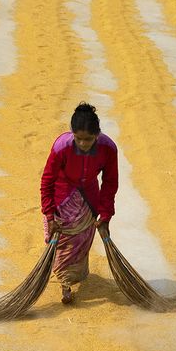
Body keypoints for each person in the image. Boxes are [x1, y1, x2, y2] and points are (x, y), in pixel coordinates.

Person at [40, 102, 119, 304]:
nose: (83, 144)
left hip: (89, 198)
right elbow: (47, 180)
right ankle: (65, 284)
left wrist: (106, 214)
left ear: (98, 134)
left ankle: (71, 278)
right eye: (79, 139)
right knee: (63, 243)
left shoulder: (108, 149)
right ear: (72, 133)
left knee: (81, 241)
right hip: (62, 196)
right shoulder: (61, 147)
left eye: (89, 139)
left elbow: (110, 182)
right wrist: (50, 215)